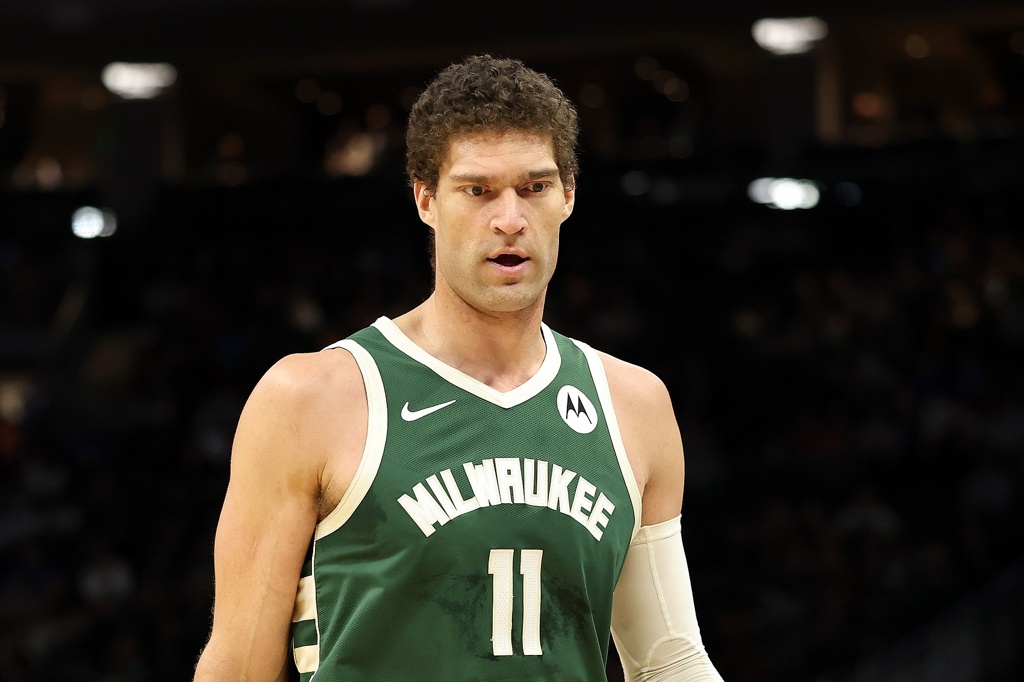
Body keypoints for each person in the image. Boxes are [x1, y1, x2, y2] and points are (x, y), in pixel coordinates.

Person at [193, 54, 722, 681]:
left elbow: (669, 662)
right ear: (426, 198)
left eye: (534, 187)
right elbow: (239, 667)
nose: (509, 219)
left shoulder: (634, 404)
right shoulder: (310, 398)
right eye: (477, 190)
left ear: (568, 195)